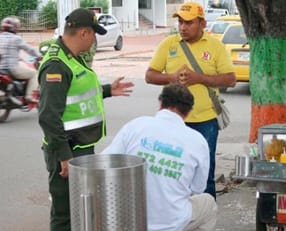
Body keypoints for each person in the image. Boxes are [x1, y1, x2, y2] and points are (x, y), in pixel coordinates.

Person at [37, 8, 134, 231]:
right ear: (83, 33)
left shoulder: (72, 58)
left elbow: (76, 94)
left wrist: (108, 90)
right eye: (93, 33)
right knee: (65, 214)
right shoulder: (56, 65)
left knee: (81, 208)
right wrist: (63, 156)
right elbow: (48, 116)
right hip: (67, 150)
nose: (94, 39)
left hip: (79, 146)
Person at [145, 1, 236, 199]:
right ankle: (176, 213)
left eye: (189, 22)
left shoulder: (215, 46)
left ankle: (206, 214)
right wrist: (171, 78)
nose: (183, 27)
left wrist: (199, 78)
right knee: (173, 170)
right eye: (180, 22)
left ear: (202, 24)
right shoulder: (169, 44)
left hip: (206, 121)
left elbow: (230, 79)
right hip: (173, 122)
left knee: (205, 171)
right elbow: (150, 76)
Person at [102, 83, 217, 231]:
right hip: (173, 221)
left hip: (130, 220)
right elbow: (198, 188)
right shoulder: (197, 141)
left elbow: (105, 162)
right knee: (208, 203)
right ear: (188, 112)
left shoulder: (136, 126)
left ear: (161, 103)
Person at [0, 16, 42, 103]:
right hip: (12, 69)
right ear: (15, 27)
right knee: (34, 74)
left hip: (1, 68)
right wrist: (39, 56)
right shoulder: (16, 39)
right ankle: (29, 96)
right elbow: (29, 49)